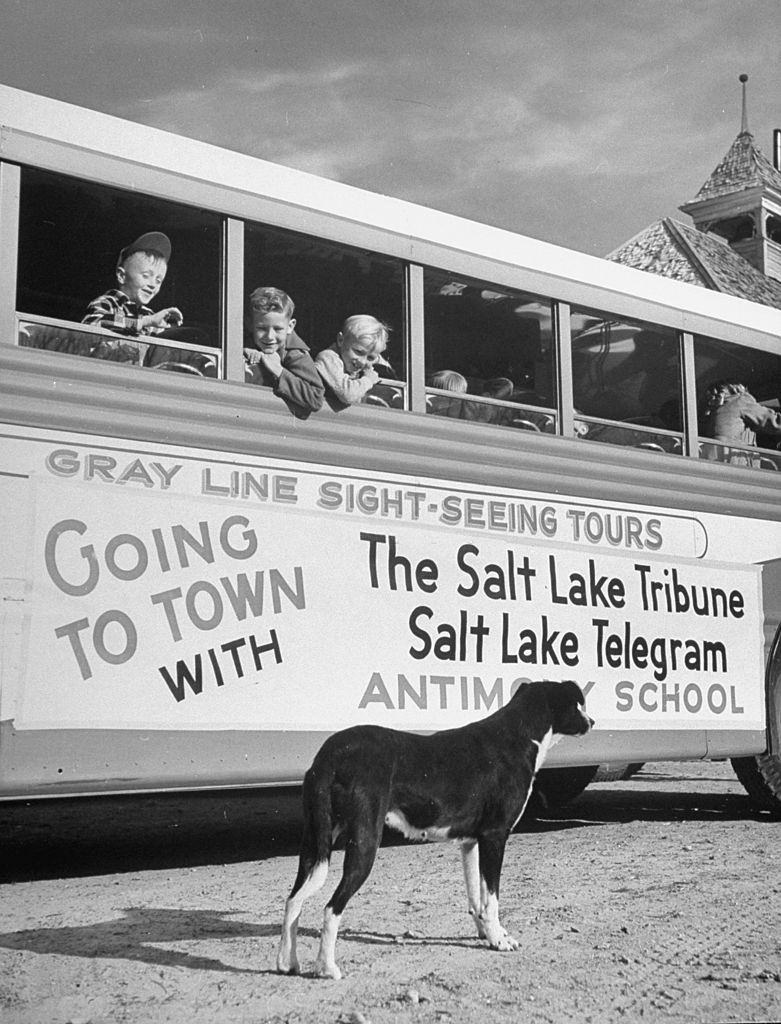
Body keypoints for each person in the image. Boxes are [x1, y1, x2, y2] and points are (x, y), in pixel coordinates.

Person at [82, 232, 183, 360]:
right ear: (121, 276)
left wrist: (171, 330)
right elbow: (94, 326)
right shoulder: (107, 303)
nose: (153, 285)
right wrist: (145, 322)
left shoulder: (150, 315)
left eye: (158, 280)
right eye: (146, 275)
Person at [244, 287, 324, 416]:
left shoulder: (295, 354)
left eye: (278, 329)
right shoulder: (245, 340)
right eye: (262, 328)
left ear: (290, 326)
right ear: (249, 324)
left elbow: (315, 398)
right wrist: (243, 351)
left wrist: (279, 370)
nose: (270, 336)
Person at [315, 315, 392, 406]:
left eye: (370, 358)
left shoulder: (356, 362)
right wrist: (368, 380)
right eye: (358, 352)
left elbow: (383, 364)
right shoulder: (329, 358)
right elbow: (347, 395)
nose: (362, 362)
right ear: (340, 340)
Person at [700, 380, 781, 465]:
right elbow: (774, 423)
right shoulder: (739, 400)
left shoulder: (712, 412)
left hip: (711, 459)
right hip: (732, 458)